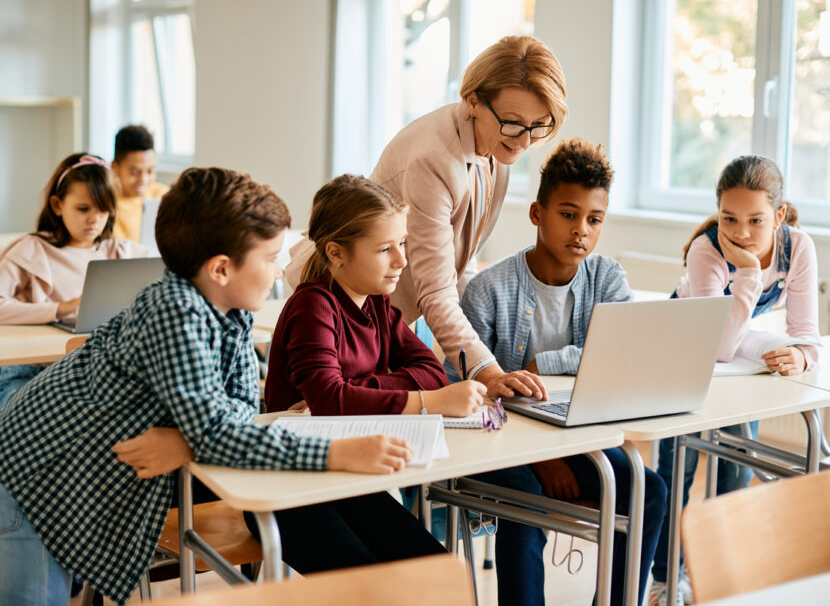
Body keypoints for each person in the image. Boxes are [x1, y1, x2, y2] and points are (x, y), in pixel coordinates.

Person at [0, 167, 425, 606]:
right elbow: (222, 431)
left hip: (82, 472)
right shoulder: (175, 311)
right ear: (221, 268)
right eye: (269, 257)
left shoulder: (233, 310)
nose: (281, 269)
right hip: (31, 473)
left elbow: (239, 413)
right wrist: (337, 452)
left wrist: (192, 442)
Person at [286, 35, 566, 402]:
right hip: (343, 303)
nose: (525, 140)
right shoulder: (434, 159)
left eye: (539, 125)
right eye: (514, 123)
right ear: (474, 102)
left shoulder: (498, 147)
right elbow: (436, 289)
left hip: (384, 313)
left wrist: (487, 354)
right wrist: (487, 370)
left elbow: (458, 268)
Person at [450, 138, 668, 606]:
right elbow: (464, 392)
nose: (581, 231)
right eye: (568, 214)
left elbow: (621, 354)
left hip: (580, 440)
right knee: (525, 501)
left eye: (594, 220)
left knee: (651, 490)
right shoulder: (488, 291)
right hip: (501, 448)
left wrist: (540, 366)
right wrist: (543, 457)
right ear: (537, 213)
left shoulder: (607, 278)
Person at [649, 155, 820, 606]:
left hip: (733, 337)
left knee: (738, 461)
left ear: (779, 216)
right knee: (677, 466)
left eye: (755, 220)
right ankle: (667, 578)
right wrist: (746, 271)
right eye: (729, 218)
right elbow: (714, 347)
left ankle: (726, 576)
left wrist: (801, 357)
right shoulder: (707, 250)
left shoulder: (798, 247)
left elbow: (806, 334)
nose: (740, 232)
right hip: (687, 340)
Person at [265, 174, 487, 418]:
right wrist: (429, 402)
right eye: (384, 249)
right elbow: (329, 401)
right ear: (336, 253)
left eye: (402, 243)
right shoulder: (313, 306)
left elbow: (433, 373)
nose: (401, 260)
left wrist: (350, 393)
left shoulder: (376, 302)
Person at [0, 152, 146, 407]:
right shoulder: (31, 250)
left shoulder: (121, 252)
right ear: (57, 205)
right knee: (23, 414)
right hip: (30, 371)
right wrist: (59, 309)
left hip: (91, 372)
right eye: (83, 209)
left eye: (103, 211)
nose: (94, 219)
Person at [110, 125, 169, 242]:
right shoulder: (105, 204)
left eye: (150, 171)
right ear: (115, 168)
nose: (143, 180)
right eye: (135, 172)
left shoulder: (164, 196)